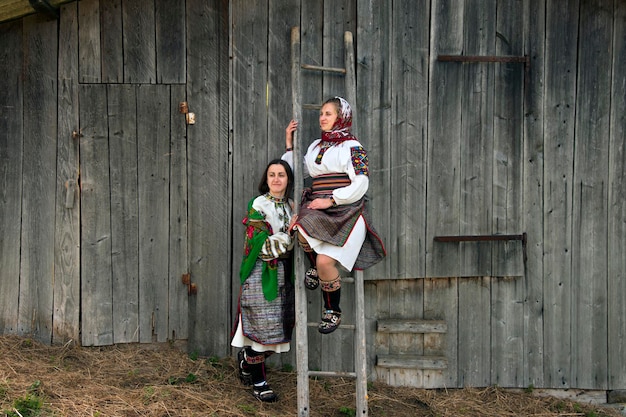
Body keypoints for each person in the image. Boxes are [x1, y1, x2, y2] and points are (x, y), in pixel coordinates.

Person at [283, 96, 386, 334]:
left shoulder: (354, 148)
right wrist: (289, 144)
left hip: (346, 210)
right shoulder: (316, 146)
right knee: (298, 225)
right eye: (321, 113)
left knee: (324, 262)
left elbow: (361, 183)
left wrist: (331, 199)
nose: (322, 118)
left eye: (328, 113)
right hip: (318, 207)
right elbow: (298, 171)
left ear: (341, 117)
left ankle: (333, 310)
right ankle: (314, 268)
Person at [231, 158, 296, 402]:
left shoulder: (291, 206)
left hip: (285, 274)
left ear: (288, 179)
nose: (277, 179)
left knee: (279, 331)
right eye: (272, 175)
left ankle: (247, 361)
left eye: (282, 174)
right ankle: (260, 383)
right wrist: (289, 235)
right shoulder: (258, 205)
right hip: (261, 272)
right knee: (260, 329)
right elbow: (263, 246)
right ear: (266, 179)